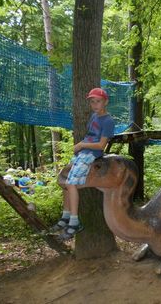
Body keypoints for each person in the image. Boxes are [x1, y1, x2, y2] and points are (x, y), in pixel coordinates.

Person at [50, 87, 115, 240]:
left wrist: (81, 145)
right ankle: (66, 216)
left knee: (71, 184)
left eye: (98, 101)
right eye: (92, 102)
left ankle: (75, 222)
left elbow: (100, 145)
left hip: (92, 154)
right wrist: (80, 147)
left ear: (105, 102)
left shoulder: (108, 120)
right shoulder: (93, 117)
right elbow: (89, 136)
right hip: (83, 152)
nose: (94, 104)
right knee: (65, 181)